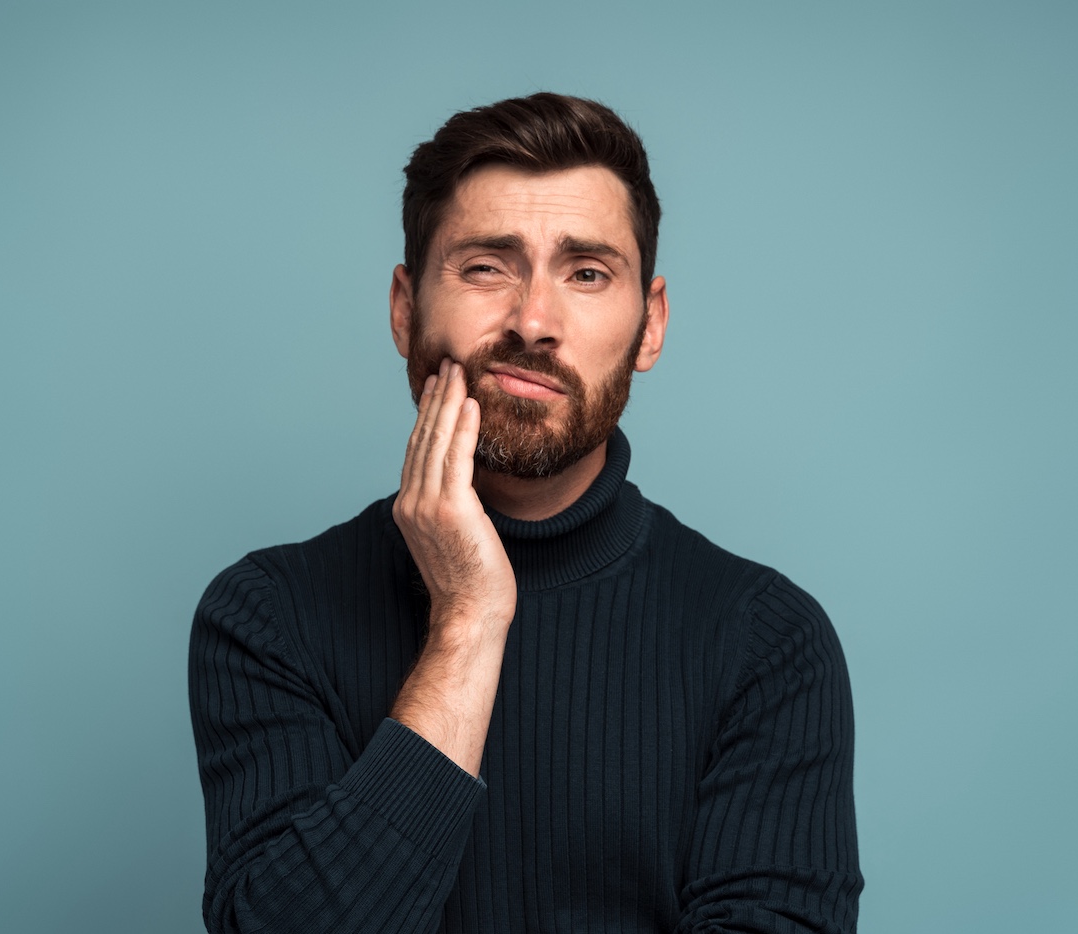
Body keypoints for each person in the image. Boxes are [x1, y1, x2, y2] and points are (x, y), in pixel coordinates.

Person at [189, 92, 862, 933]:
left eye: (587, 273)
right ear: (405, 310)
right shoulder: (267, 616)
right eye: (486, 267)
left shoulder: (767, 644)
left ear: (649, 326)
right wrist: (469, 621)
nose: (534, 322)